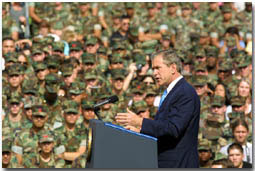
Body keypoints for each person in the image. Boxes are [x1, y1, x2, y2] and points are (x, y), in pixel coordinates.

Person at [116, 49, 200, 168]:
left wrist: (140, 122)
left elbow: (173, 129)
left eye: (158, 68)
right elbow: (163, 127)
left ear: (173, 68)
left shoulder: (184, 93)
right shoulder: (172, 92)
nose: (154, 73)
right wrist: (141, 132)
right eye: (153, 69)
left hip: (179, 163)